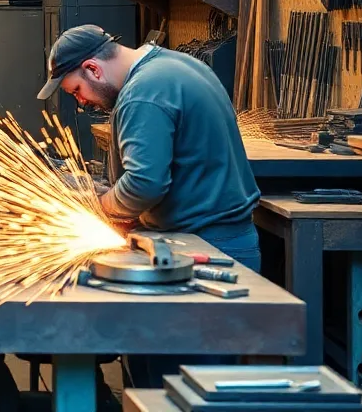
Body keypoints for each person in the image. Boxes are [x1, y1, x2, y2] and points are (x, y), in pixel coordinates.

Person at [37, 24, 262, 388]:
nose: (81, 102)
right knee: (173, 384)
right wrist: (100, 190)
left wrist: (100, 207)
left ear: (93, 69)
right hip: (212, 240)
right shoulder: (174, 64)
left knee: (179, 389)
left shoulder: (141, 95)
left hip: (204, 250)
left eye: (77, 90)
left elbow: (144, 185)